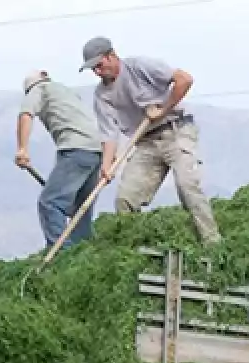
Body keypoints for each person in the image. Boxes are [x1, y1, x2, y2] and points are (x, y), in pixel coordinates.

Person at [78, 36, 222, 245]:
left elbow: (185, 79)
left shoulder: (139, 67)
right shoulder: (102, 95)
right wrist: (107, 166)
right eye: (94, 70)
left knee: (187, 185)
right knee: (125, 199)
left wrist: (163, 110)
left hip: (176, 130)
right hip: (146, 142)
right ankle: (132, 250)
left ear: (111, 56)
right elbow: (109, 133)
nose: (98, 72)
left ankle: (212, 244)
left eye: (99, 66)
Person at [15, 70, 105, 249]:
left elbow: (25, 115)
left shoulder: (38, 89)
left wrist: (22, 149)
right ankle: (82, 252)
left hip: (76, 149)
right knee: (81, 209)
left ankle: (61, 253)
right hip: (96, 151)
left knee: (50, 203)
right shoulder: (66, 92)